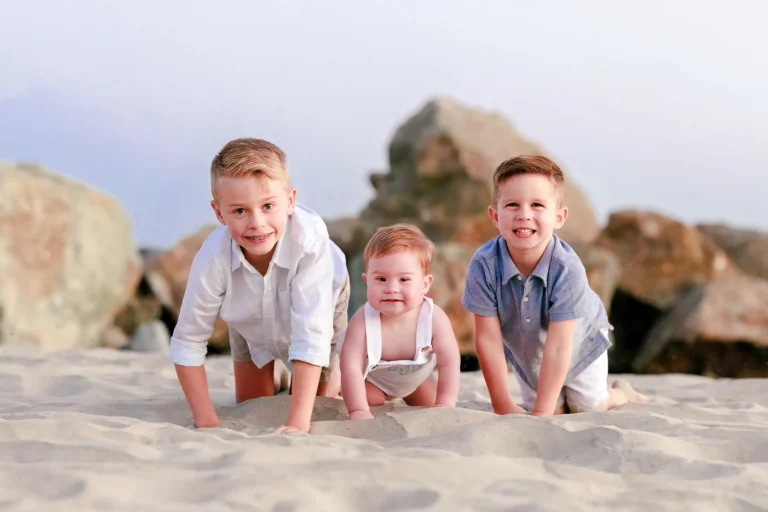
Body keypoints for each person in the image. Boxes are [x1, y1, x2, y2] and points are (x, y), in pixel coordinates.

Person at [170, 138, 349, 433]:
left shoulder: (309, 244)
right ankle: (276, 374)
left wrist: (296, 426)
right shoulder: (213, 257)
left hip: (323, 301)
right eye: (239, 211)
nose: (256, 222)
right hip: (248, 314)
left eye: (268, 206)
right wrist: (207, 421)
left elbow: (312, 333)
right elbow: (188, 340)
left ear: (290, 201)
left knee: (318, 405)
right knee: (252, 403)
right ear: (219, 213)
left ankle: (332, 378)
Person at [461, 155, 646, 416]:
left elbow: (560, 345)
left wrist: (542, 414)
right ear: (495, 215)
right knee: (555, 411)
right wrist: (502, 404)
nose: (524, 215)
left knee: (587, 407)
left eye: (537, 205)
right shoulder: (484, 265)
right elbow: (487, 338)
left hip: (581, 344)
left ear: (559, 217)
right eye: (512, 205)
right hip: (529, 352)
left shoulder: (566, 268)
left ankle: (621, 394)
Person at [340, 224, 460, 420]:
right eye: (381, 279)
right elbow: (351, 366)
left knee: (430, 402)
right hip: (375, 382)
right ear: (366, 280)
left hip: (417, 381)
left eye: (404, 279)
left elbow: (450, 362)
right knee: (369, 399)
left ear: (424, 284)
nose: (391, 288)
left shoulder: (433, 318)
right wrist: (358, 409)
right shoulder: (363, 320)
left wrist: (446, 403)